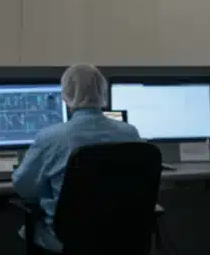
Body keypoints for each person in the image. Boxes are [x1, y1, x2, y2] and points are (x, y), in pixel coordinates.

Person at [12, 64, 141, 254]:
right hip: (122, 238)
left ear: (66, 95)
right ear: (102, 91)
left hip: (67, 241)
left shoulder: (50, 138)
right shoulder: (130, 133)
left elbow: (24, 187)